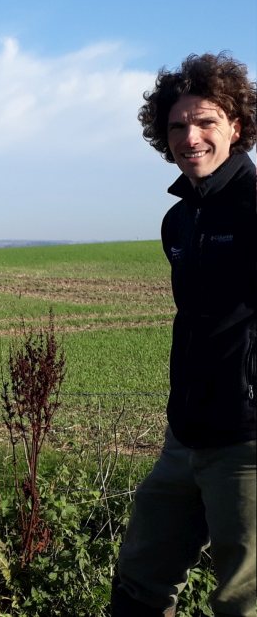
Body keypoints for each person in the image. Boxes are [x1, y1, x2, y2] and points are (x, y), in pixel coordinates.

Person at [111, 53, 257, 616]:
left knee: (242, 600)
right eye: (177, 125)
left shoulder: (251, 207)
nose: (189, 137)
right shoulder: (180, 218)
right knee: (140, 579)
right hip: (186, 432)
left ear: (236, 128)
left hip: (246, 442)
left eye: (205, 122)